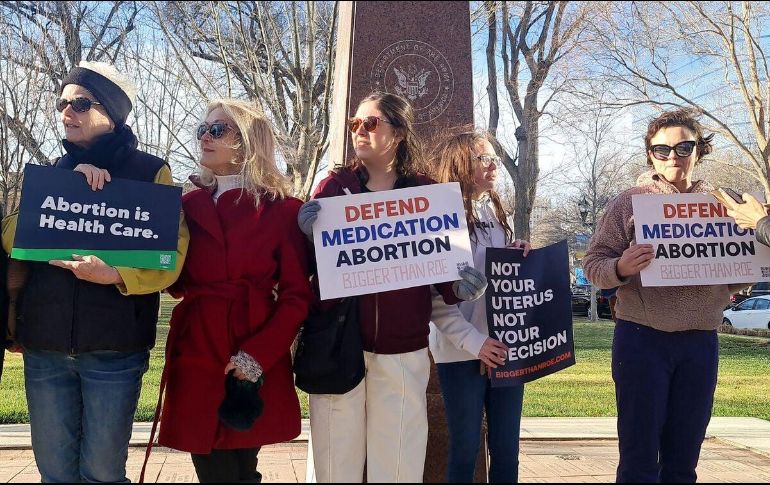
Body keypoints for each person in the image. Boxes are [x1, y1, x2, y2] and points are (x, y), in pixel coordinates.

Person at [0, 61, 189, 483]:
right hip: (45, 348)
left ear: (112, 114)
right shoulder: (52, 172)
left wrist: (118, 275)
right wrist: (67, 183)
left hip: (115, 350)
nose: (67, 112)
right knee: (54, 473)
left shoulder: (151, 172)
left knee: (102, 473)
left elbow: (171, 257)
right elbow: (11, 237)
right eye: (62, 103)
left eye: (81, 103)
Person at [297, 92, 489, 483]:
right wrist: (304, 236)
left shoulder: (426, 193)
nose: (359, 131)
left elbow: (447, 279)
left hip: (402, 352)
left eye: (370, 123)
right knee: (335, 467)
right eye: (354, 123)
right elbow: (307, 270)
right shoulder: (332, 188)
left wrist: (465, 285)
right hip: (337, 346)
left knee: (399, 466)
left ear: (399, 133)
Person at [583, 108, 748, 483]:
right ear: (650, 155)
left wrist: (742, 273)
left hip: (700, 341)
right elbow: (594, 263)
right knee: (639, 461)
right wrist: (621, 267)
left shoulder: (726, 205)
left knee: (683, 461)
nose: (673, 156)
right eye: (662, 150)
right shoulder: (629, 202)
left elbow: (735, 272)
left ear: (699, 150)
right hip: (641, 339)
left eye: (684, 147)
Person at [156, 99, 313, 483]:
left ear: (247, 141)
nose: (204, 138)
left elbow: (296, 296)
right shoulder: (184, 206)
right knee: (214, 466)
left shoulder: (282, 210)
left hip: (250, 344)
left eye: (217, 130)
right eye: (202, 130)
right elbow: (172, 279)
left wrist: (256, 356)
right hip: (197, 345)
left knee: (241, 468)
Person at [427, 130, 531, 483]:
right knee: (465, 449)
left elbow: (497, 280)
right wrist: (476, 343)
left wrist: (516, 254)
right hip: (460, 353)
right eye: (484, 159)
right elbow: (436, 300)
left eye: (495, 159)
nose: (494, 166)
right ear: (460, 163)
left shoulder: (497, 213)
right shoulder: (440, 218)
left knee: (507, 451)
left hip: (505, 349)